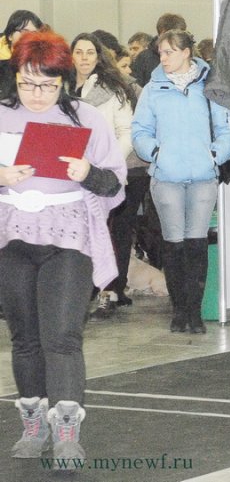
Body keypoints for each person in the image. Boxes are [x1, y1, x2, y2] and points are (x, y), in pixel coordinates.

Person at [0, 31, 126, 463]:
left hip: (69, 239)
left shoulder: (86, 117)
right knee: (26, 339)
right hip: (12, 238)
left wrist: (87, 171)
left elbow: (115, 185)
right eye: (27, 83)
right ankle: (33, 424)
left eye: (48, 85)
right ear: (14, 76)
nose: (37, 94)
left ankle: (68, 432)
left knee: (63, 338)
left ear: (63, 79)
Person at [132, 29, 230, 334]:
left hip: (204, 177)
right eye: (161, 53)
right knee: (173, 244)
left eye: (168, 52)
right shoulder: (153, 89)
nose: (162, 58)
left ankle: (194, 311)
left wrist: (214, 155)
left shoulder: (210, 86)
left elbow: (227, 129)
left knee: (197, 244)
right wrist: (155, 152)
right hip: (166, 178)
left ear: (186, 52)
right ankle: (179, 311)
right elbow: (139, 130)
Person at [70, 32, 140, 317]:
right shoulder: (59, 88)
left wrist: (110, 163)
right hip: (68, 177)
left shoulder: (114, 88)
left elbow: (127, 132)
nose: (84, 58)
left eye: (90, 52)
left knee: (104, 235)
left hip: (101, 176)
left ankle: (107, 292)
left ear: (99, 57)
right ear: (71, 55)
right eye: (79, 52)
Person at [130, 13, 186, 87]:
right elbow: (136, 89)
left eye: (182, 35)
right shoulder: (144, 58)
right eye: (176, 35)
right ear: (162, 33)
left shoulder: (188, 56)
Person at [0, 10, 44, 99]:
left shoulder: (43, 63)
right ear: (10, 35)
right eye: (24, 32)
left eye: (34, 33)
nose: (29, 37)